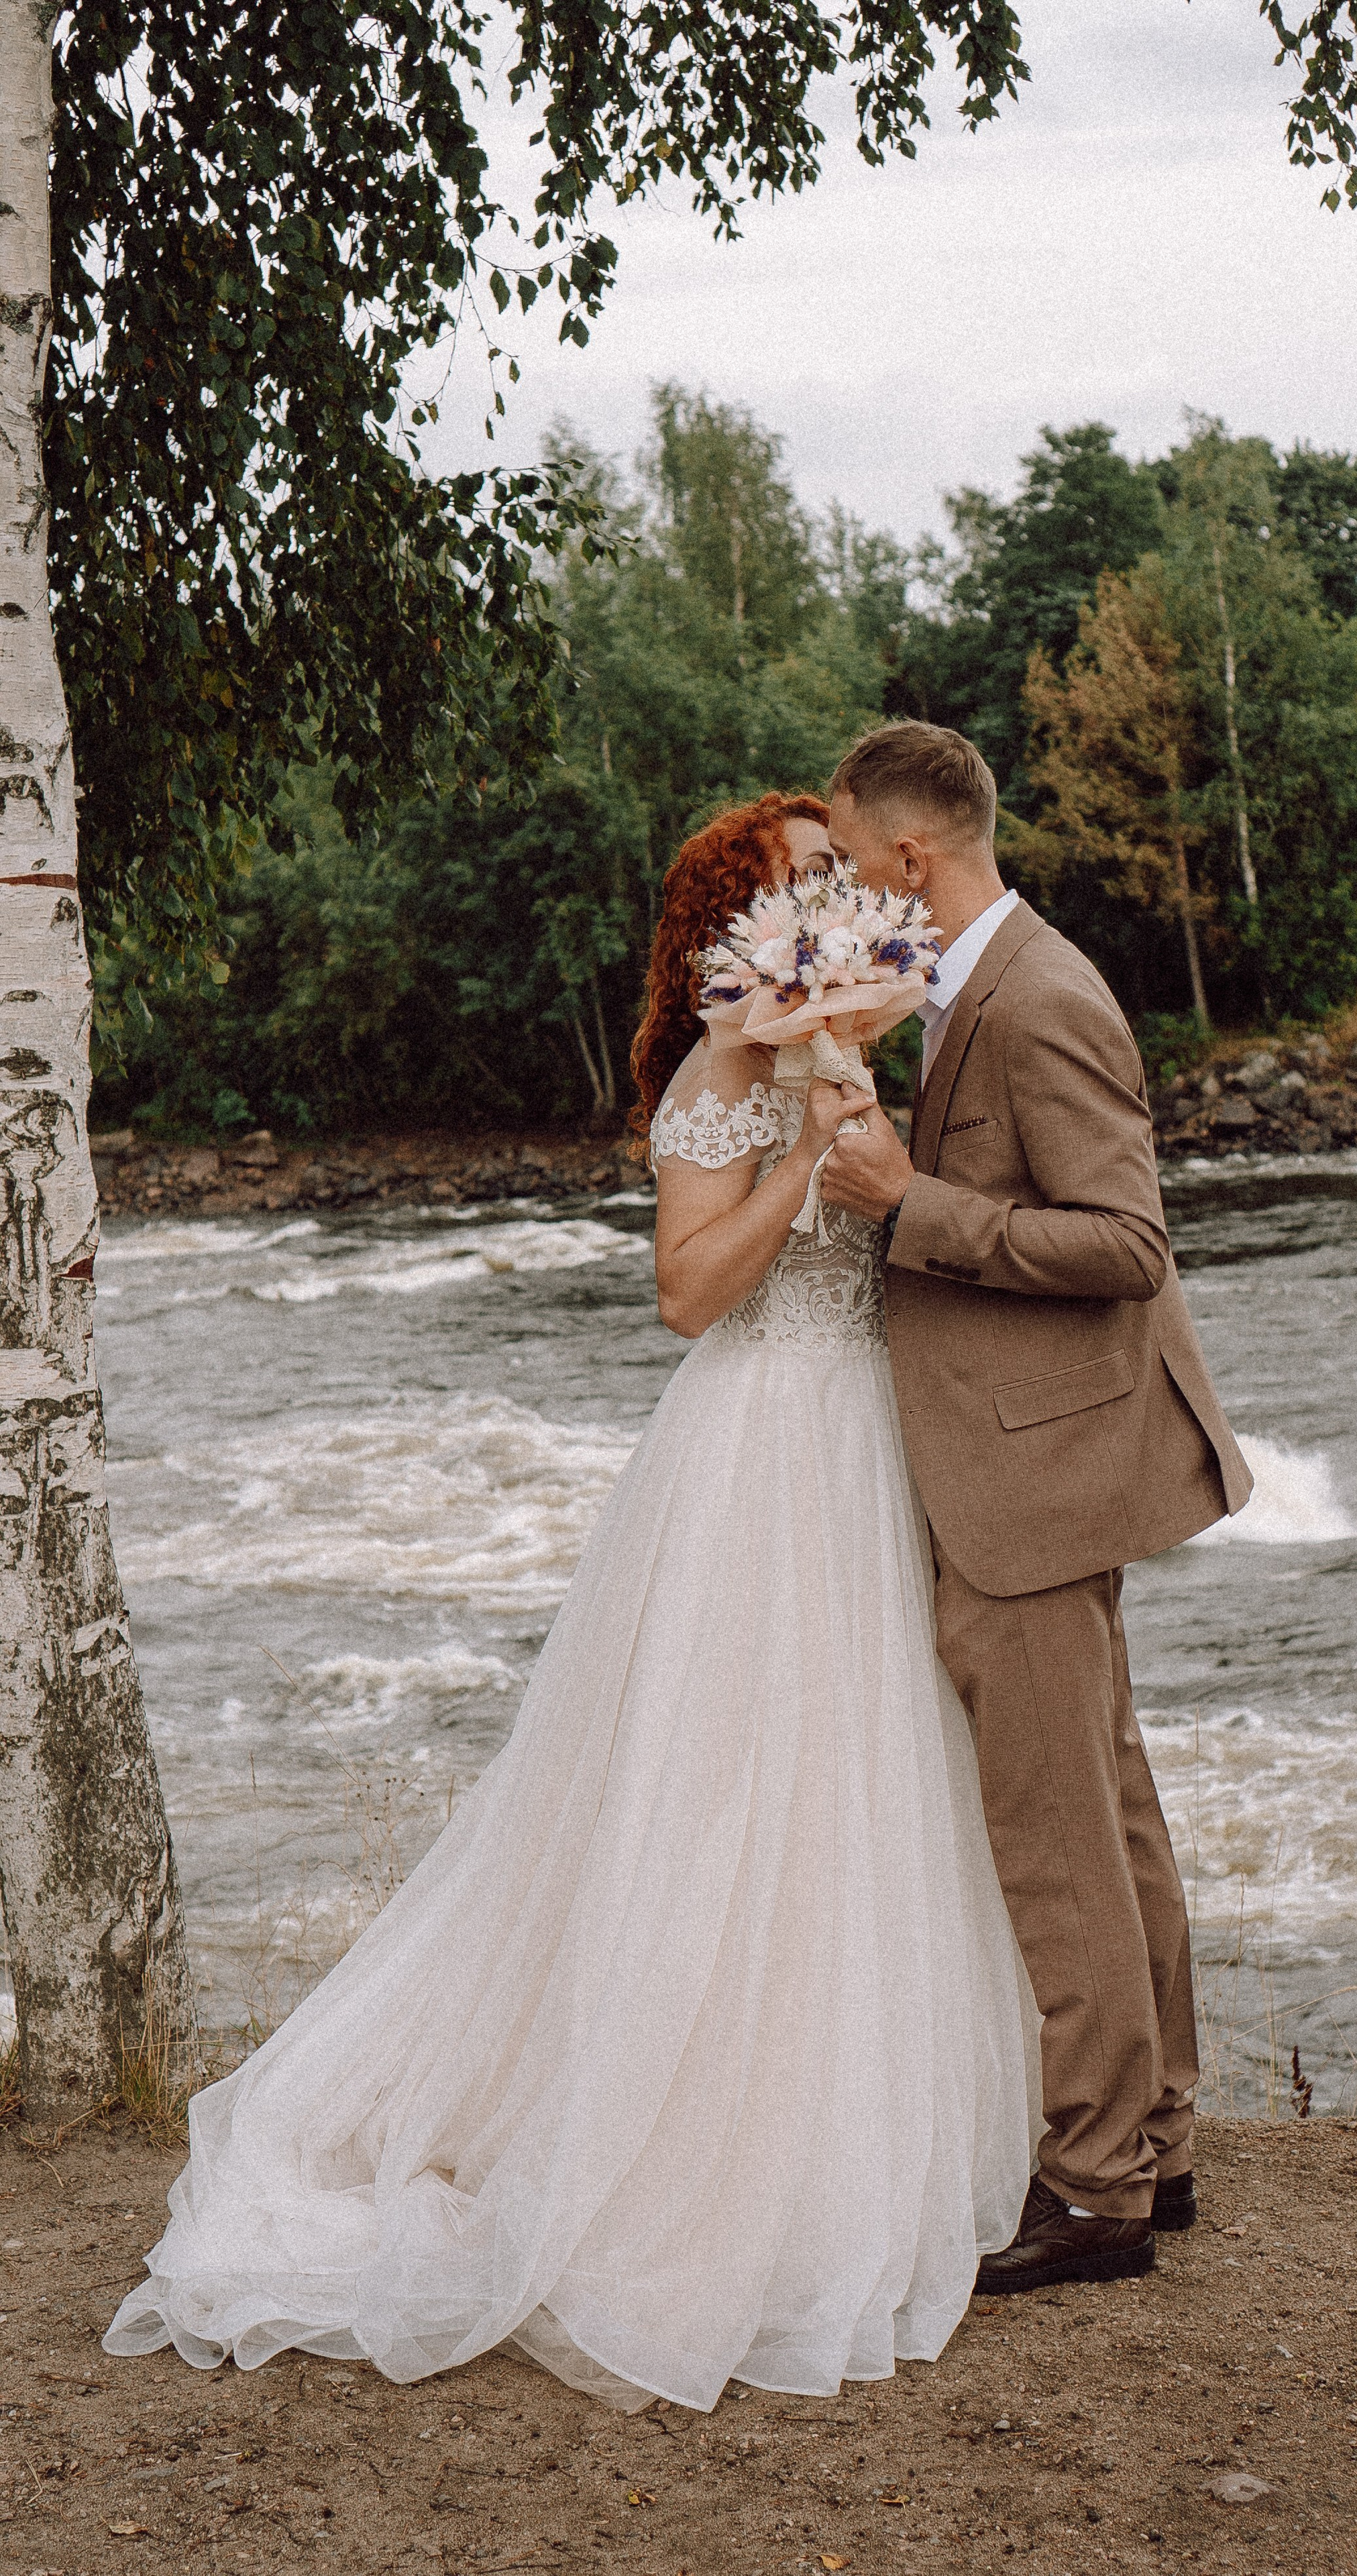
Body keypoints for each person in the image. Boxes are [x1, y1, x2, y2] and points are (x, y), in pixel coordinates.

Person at [104, 790, 1037, 2412]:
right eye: (799, 878)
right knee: (725, 1785)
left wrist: (861, 1118)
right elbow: (687, 1294)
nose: (827, 894)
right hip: (755, 1446)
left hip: (865, 1438)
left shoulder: (845, 1041)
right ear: (727, 927)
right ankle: (686, 2152)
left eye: (833, 875)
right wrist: (808, 1156)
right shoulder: (710, 1082)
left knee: (859, 1783)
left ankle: (847, 2124)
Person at [818, 722, 1252, 2298]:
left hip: (1032, 1471)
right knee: (1108, 1809)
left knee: (1053, 1833)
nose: (840, 882)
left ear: (910, 858)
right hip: (1041, 1458)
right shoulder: (964, 986)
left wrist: (906, 1208)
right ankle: (1157, 2142)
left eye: (852, 857)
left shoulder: (1043, 996)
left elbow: (1125, 1243)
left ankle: (1093, 2188)